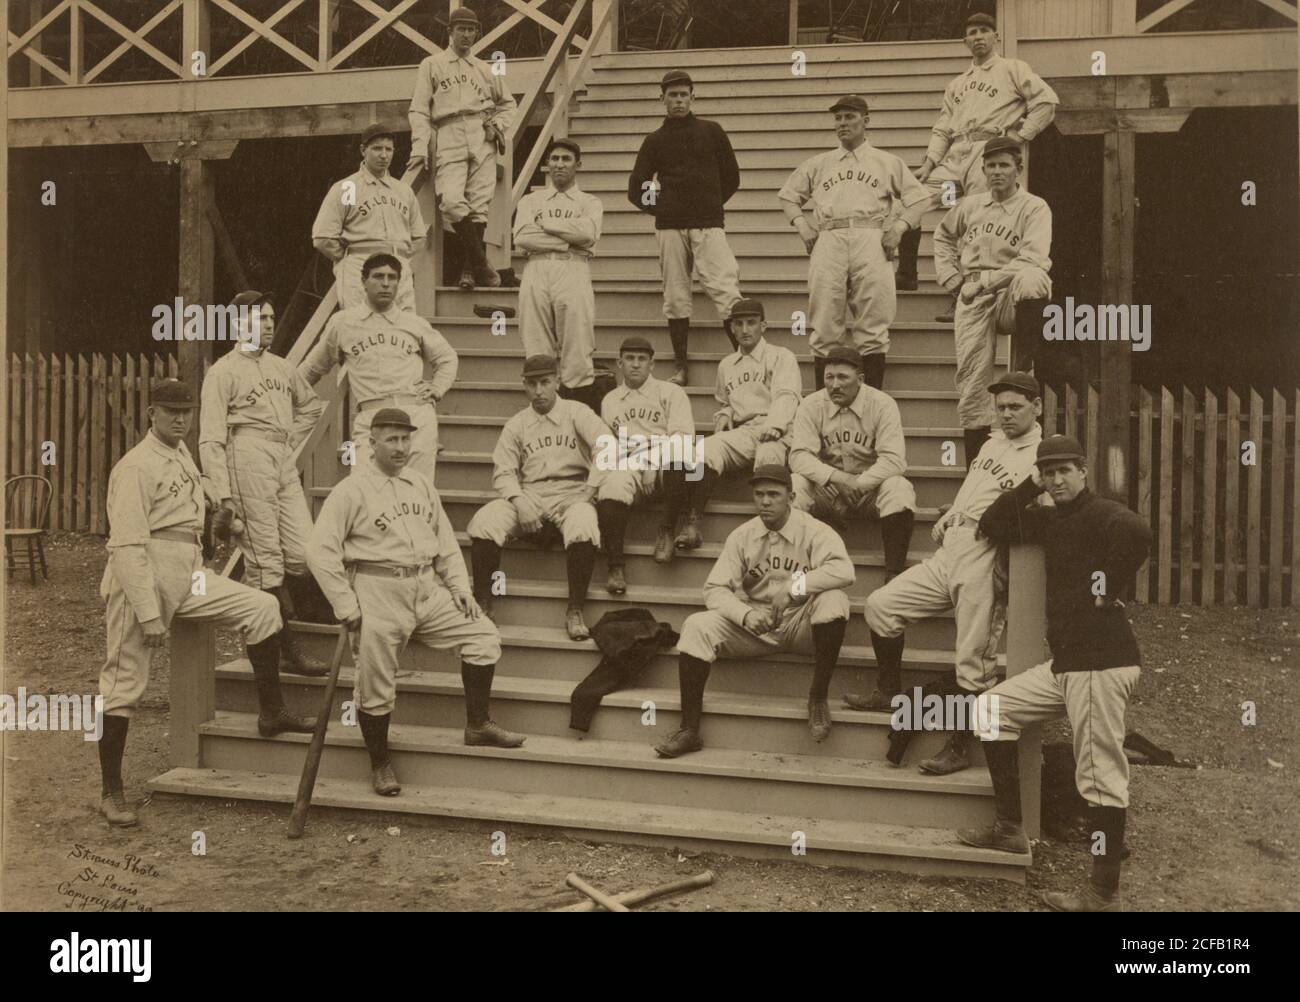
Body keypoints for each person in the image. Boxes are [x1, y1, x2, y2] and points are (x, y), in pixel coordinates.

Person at [97, 380, 307, 826]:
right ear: (151, 413)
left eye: (187, 411)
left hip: (187, 573)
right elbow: (127, 546)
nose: (181, 418)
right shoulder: (135, 466)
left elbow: (187, 518)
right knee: (123, 683)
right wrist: (150, 613)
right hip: (142, 575)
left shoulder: (182, 455)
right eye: (171, 411)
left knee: (262, 608)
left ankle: (272, 713)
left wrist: (219, 524)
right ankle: (111, 791)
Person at [962, 434, 1151, 912]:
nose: (1056, 479)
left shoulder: (1101, 512)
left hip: (1100, 664)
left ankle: (1101, 895)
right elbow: (994, 521)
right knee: (990, 709)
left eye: (1065, 470)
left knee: (1100, 779)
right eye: (1048, 472)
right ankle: (1010, 827)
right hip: (1067, 664)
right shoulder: (1049, 518)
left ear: (1084, 471)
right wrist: (1029, 484)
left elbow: (1137, 532)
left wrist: (1108, 584)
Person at [307, 408, 525, 797]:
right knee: (375, 683)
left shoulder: (421, 485)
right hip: (377, 589)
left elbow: (445, 544)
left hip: (426, 587)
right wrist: (346, 605)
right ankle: (380, 763)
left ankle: (478, 724)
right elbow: (319, 552)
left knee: (483, 636)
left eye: (406, 439)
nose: (401, 446)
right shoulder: (351, 490)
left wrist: (460, 587)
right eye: (391, 439)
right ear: (371, 443)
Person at [845, 373, 1043, 778]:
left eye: (1015, 407)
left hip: (986, 556)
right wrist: (954, 514)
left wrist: (999, 552)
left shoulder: (1042, 456)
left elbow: (1030, 515)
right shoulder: (992, 442)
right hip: (951, 548)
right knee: (882, 606)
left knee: (974, 662)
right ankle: (888, 690)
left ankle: (959, 746)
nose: (1005, 414)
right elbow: (976, 492)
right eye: (1001, 407)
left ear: (1037, 407)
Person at [654, 466, 854, 757]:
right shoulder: (742, 535)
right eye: (759, 494)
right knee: (697, 625)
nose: (765, 501)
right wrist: (745, 615)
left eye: (774, 494)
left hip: (802, 622)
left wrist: (795, 587)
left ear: (792, 497)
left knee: (834, 599)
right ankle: (689, 729)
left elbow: (844, 570)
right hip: (756, 624)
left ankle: (818, 698)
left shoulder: (814, 530)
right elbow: (714, 589)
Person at [896, 11, 1058, 322]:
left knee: (977, 220)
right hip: (954, 158)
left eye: (984, 31)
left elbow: (1046, 102)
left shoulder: (1012, 69)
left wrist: (1020, 136)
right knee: (912, 198)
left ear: (995, 36)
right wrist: (930, 163)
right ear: (965, 41)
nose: (978, 37)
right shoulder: (957, 84)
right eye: (972, 32)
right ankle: (907, 273)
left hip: (986, 155)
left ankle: (963, 298)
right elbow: (943, 126)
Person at [200, 291, 327, 676]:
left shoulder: (281, 367)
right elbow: (210, 437)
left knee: (305, 553)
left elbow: (310, 405)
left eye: (271, 318)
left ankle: (297, 617)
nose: (269, 325)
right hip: (245, 455)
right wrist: (223, 494)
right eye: (260, 319)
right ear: (240, 324)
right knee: (265, 562)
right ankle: (286, 648)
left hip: (280, 457)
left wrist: (289, 440)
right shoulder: (223, 371)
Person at [778, 95, 929, 390]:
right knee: (824, 322)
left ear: (866, 121)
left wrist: (898, 228)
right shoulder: (820, 163)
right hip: (829, 236)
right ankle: (825, 403)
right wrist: (802, 226)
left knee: (873, 323)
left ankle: (872, 402)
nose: (843, 124)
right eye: (838, 118)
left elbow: (920, 198)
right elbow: (788, 196)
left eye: (850, 117)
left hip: (870, 236)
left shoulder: (886, 161)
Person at [467, 355, 608, 642]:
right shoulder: (517, 424)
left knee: (583, 522)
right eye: (532, 384)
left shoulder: (576, 412)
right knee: (485, 521)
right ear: (524, 386)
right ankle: (483, 604)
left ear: (557, 381)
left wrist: (590, 490)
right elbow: (503, 472)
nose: (539, 390)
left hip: (572, 491)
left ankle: (575, 610)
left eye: (545, 382)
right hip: (530, 493)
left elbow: (607, 445)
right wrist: (519, 502)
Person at [933, 136, 1052, 466]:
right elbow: (942, 237)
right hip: (972, 292)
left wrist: (986, 282)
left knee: (1034, 277)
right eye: (991, 166)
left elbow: (1032, 257)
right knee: (972, 384)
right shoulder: (970, 205)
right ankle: (976, 472)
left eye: (1004, 165)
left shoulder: (1034, 207)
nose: (997, 171)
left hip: (1009, 289)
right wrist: (952, 279)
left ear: (1019, 168)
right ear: (983, 170)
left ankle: (1025, 365)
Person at [298, 253, 457, 482]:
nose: (385, 283)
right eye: (378, 276)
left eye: (392, 277)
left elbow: (447, 358)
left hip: (415, 416)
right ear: (363, 282)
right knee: (366, 490)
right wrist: (282, 397)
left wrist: (438, 387)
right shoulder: (344, 323)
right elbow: (312, 368)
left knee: (416, 492)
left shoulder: (414, 323)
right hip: (371, 416)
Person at [627, 69, 742, 385]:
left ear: (693, 96)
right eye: (672, 95)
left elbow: (731, 177)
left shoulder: (712, 131)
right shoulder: (655, 140)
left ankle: (745, 364)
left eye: (683, 95)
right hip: (670, 227)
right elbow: (637, 186)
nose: (678, 101)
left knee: (725, 289)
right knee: (676, 295)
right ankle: (681, 366)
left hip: (708, 225)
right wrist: (661, 208)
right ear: (661, 98)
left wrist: (709, 204)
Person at [676, 297, 800, 551]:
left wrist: (775, 425)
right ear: (731, 327)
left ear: (763, 326)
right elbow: (727, 402)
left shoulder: (780, 356)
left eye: (751, 323)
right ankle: (693, 523)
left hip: (780, 430)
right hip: (745, 431)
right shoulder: (727, 365)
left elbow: (787, 396)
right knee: (703, 449)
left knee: (768, 457)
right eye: (739, 324)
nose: (745, 330)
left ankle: (769, 536)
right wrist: (724, 416)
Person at [408, 6, 517, 289]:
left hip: (481, 132)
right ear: (450, 32)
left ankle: (469, 273)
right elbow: (419, 110)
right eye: (461, 29)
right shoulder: (432, 64)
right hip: (448, 131)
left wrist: (498, 126)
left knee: (479, 204)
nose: (467, 35)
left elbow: (508, 103)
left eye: (471, 30)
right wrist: (419, 147)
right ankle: (483, 266)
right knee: (452, 201)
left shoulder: (484, 68)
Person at [789, 346, 917, 582]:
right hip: (827, 489)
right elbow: (798, 456)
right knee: (795, 484)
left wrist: (859, 483)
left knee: (899, 488)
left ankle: (894, 572)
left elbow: (894, 460)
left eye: (842, 377)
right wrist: (837, 478)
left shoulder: (882, 404)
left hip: (868, 492)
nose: (834, 385)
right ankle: (794, 570)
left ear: (860, 380)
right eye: (829, 377)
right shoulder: (811, 404)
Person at [596, 336, 694, 593]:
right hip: (629, 463)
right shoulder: (610, 400)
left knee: (681, 459)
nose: (635, 365)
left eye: (642, 359)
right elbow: (608, 444)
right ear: (619, 363)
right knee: (611, 486)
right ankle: (615, 566)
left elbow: (683, 436)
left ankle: (666, 531)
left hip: (663, 463)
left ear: (652, 364)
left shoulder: (671, 392)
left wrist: (652, 462)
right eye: (629, 359)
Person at [514, 138, 604, 412]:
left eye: (566, 159)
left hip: (573, 268)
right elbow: (522, 237)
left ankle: (575, 415)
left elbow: (587, 235)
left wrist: (548, 225)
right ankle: (542, 413)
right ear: (547, 164)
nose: (559, 165)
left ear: (578, 165)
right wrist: (566, 238)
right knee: (536, 344)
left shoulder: (589, 201)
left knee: (577, 346)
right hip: (537, 269)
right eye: (554, 159)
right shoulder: (531, 200)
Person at [311, 123, 426, 310]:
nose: (384, 155)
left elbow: (419, 236)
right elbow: (322, 237)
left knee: (403, 326)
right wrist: (349, 258)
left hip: (398, 270)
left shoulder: (402, 190)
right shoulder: (348, 188)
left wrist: (400, 258)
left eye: (389, 149)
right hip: (360, 270)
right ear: (363, 150)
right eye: (377, 148)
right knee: (361, 327)